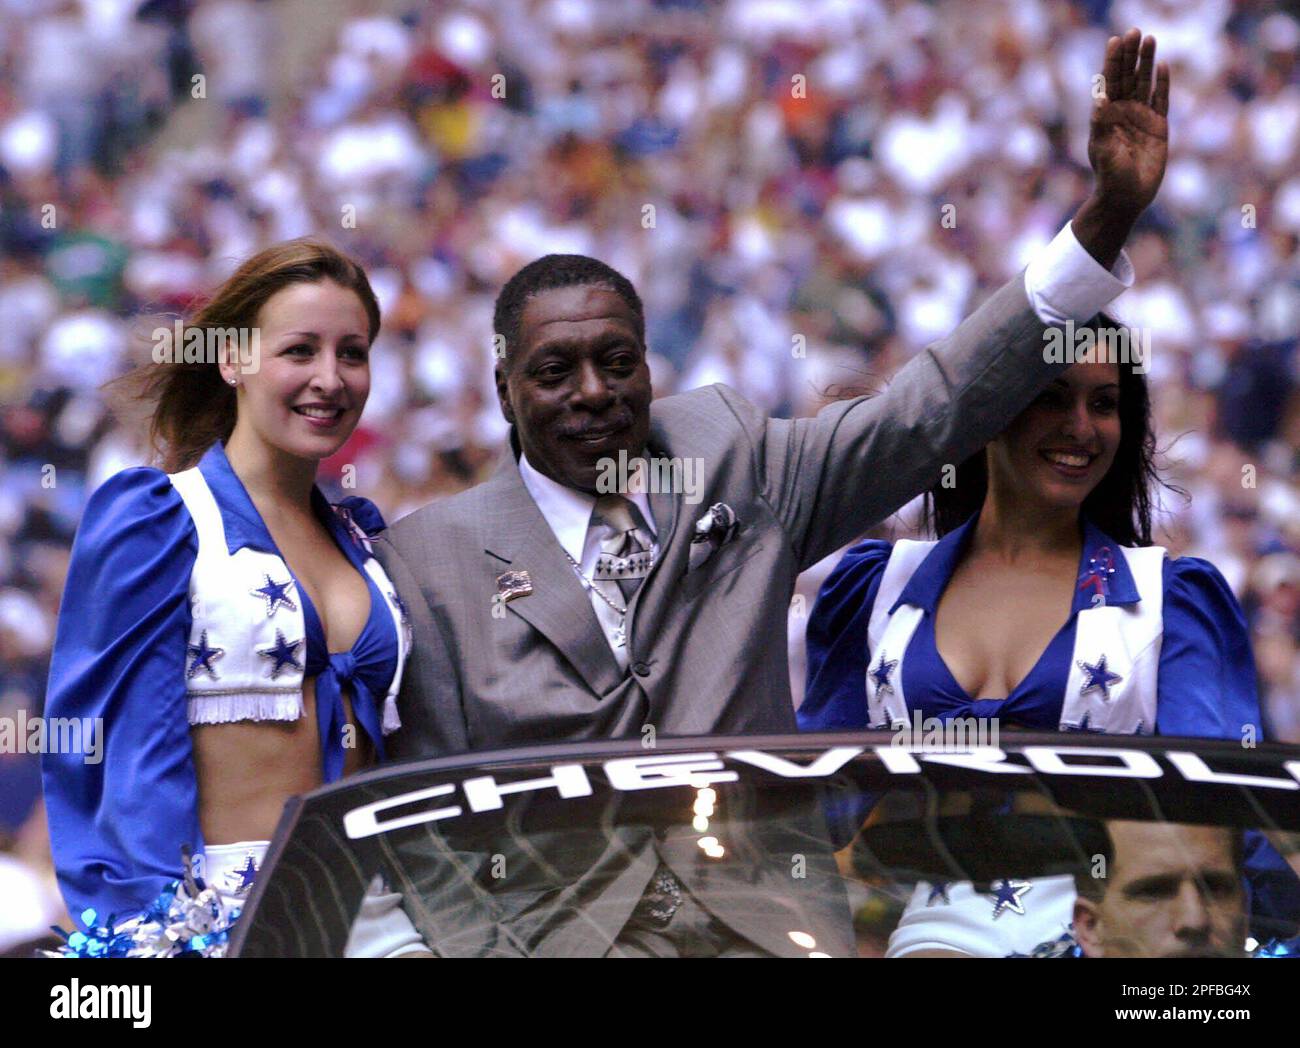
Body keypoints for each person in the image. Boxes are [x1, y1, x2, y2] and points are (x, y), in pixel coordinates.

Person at [375, 31, 1171, 956]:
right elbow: (423, 821)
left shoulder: (729, 456)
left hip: (764, 931)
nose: (593, 392)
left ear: (649, 363)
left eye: (617, 361)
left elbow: (928, 408)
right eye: (556, 370)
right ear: (504, 384)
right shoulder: (429, 559)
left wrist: (1104, 219)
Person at [42, 239, 427, 957]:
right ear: (232, 360)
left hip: (378, 914)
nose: (330, 378)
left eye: (352, 352)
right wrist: (156, 936)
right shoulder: (159, 520)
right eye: (299, 351)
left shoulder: (363, 539)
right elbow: (113, 759)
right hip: (223, 923)